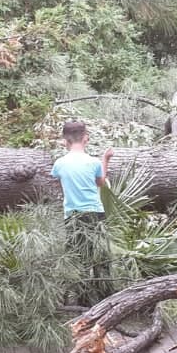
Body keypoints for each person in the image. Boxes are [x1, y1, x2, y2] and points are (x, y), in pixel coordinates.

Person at [50, 121, 114, 304]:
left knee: (77, 255)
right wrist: (106, 159)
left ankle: (80, 298)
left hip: (72, 215)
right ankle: (105, 298)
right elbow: (100, 183)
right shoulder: (93, 162)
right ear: (85, 138)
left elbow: (59, 183)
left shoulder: (60, 164)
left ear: (65, 141)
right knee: (101, 256)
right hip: (95, 213)